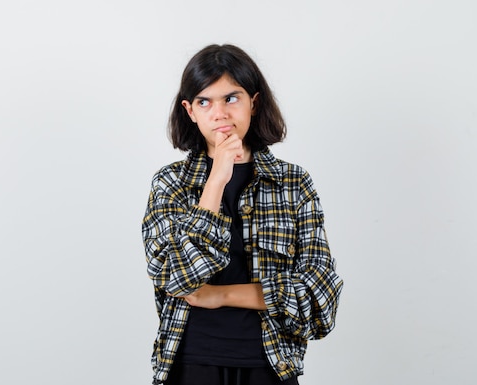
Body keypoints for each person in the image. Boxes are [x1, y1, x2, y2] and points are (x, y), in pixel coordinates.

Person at [141, 44, 343, 385]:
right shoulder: (170, 183)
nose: (219, 113)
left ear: (254, 102)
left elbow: (319, 301)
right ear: (190, 111)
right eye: (205, 101)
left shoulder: (293, 183)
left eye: (231, 98)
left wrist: (220, 295)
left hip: (270, 365)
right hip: (191, 364)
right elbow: (177, 277)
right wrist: (217, 180)